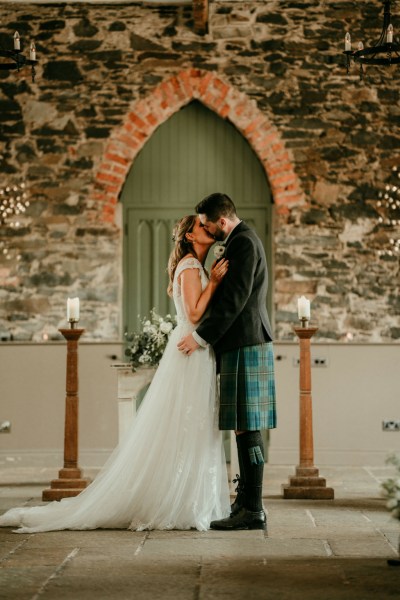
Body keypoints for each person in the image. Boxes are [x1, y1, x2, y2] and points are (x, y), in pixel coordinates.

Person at [0, 215, 231, 533]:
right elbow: (193, 313)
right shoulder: (191, 267)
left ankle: (184, 496)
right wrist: (216, 284)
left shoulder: (194, 266)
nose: (209, 229)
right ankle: (178, 501)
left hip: (192, 351)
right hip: (190, 351)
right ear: (190, 236)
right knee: (188, 423)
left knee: (188, 425)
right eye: (202, 227)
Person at [178, 193, 277, 531]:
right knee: (243, 425)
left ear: (220, 221)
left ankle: (253, 509)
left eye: (206, 224)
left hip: (246, 341)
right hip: (242, 342)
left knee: (248, 425)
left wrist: (200, 337)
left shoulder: (243, 243)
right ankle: (246, 503)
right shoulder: (239, 241)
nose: (204, 229)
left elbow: (234, 300)